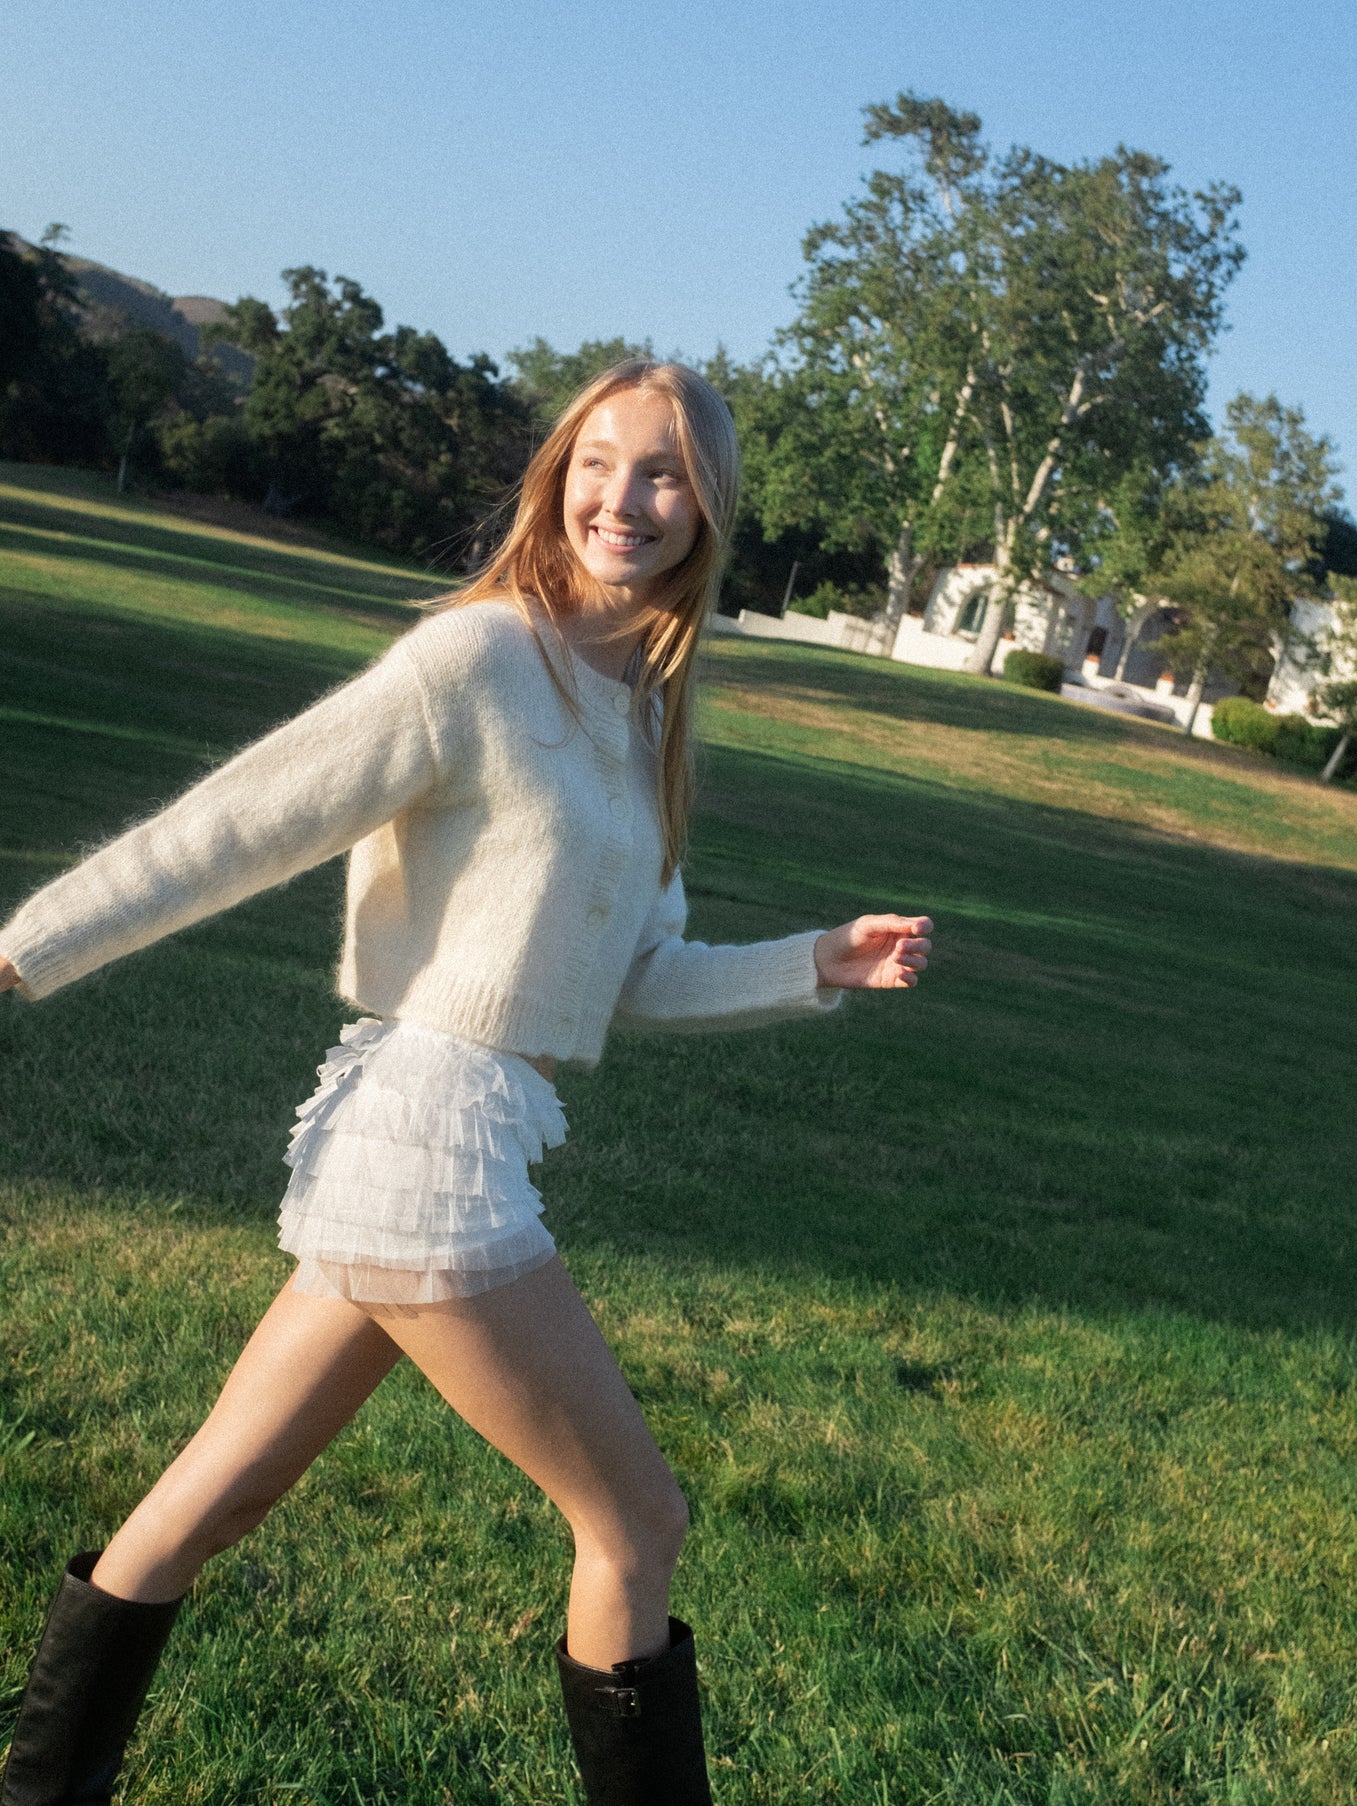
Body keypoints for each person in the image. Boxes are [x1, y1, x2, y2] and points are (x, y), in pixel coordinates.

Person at [0, 358, 933, 1805]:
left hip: (430, 1135)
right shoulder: (477, 662)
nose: (623, 497)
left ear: (710, 508)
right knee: (635, 1521)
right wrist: (18, 952)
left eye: (664, 472)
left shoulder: (642, 719)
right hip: (422, 1139)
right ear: (556, 475)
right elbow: (238, 822)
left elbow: (621, 978)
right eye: (599, 462)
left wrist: (813, 960)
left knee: (215, 1500)